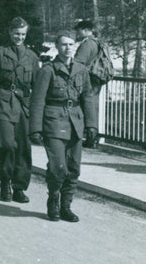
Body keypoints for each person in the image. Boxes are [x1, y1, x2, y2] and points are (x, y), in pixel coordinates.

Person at [29, 29, 98, 222]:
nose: (67, 48)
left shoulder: (81, 70)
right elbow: (37, 101)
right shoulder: (47, 70)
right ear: (57, 47)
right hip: (53, 122)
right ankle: (53, 200)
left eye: (71, 44)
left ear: (75, 46)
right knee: (58, 167)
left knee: (74, 167)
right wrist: (35, 128)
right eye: (63, 44)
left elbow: (88, 98)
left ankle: (66, 206)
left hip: (75, 122)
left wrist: (91, 125)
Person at [0, 17, 39, 203]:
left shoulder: (32, 57)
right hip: (3, 103)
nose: (19, 37)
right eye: (16, 34)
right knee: (6, 144)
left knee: (23, 147)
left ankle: (19, 187)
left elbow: (37, 87)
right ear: (9, 33)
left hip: (23, 106)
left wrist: (37, 114)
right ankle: (5, 181)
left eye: (22, 34)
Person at [74, 19, 101, 149]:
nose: (77, 33)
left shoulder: (87, 44)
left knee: (88, 106)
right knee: (92, 106)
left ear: (85, 30)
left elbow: (78, 63)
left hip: (88, 80)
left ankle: (90, 138)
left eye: (78, 31)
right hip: (95, 79)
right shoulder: (95, 42)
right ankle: (92, 137)